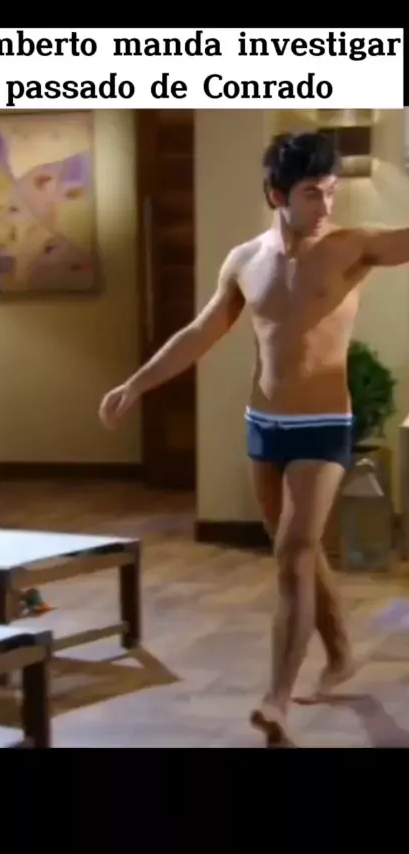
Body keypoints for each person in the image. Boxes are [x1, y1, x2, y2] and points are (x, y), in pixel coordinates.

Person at [98, 130, 409, 747]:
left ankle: (276, 700)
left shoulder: (352, 247)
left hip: (324, 425)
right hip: (264, 425)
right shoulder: (245, 261)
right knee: (296, 552)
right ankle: (341, 652)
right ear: (276, 195)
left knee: (294, 553)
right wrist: (135, 385)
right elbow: (198, 332)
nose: (326, 206)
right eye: (312, 194)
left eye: (331, 192)